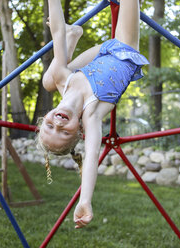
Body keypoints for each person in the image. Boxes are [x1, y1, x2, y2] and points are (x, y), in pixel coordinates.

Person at [37, 0, 148, 229]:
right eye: (63, 131)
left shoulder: (62, 79)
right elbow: (90, 159)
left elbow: (56, 30)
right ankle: (74, 34)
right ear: (79, 130)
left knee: (49, 80)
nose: (57, 124)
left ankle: (73, 34)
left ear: (45, 117)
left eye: (49, 126)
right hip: (123, 48)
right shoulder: (91, 115)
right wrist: (84, 200)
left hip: (100, 54)